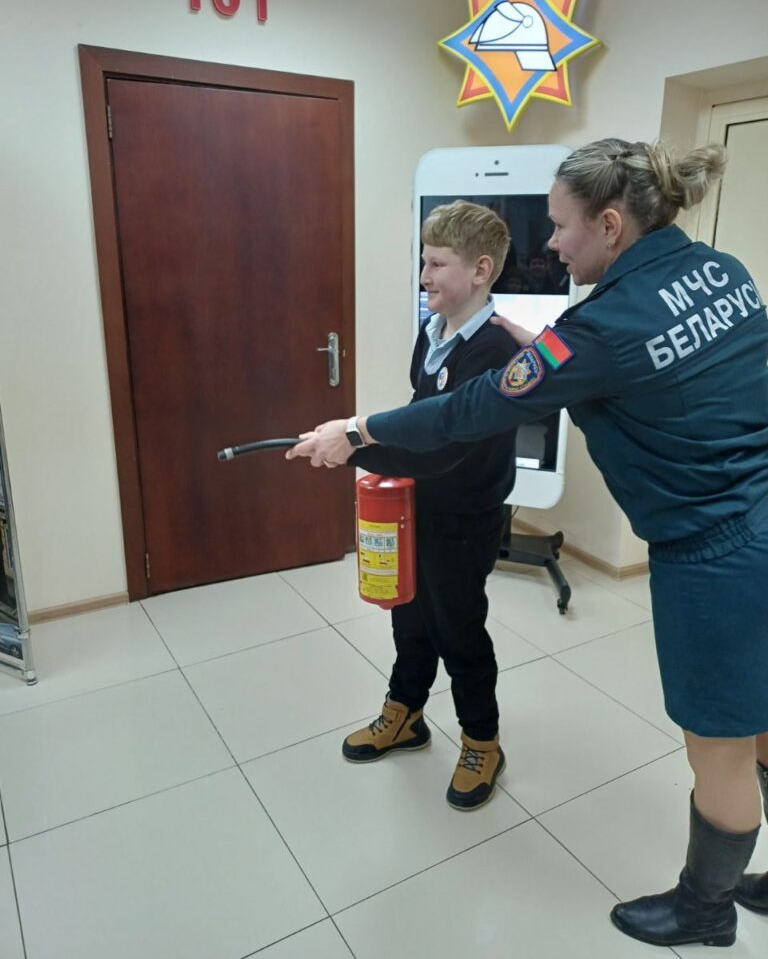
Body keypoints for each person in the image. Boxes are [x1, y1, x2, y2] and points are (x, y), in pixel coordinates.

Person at [287, 138, 768, 948]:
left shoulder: (600, 328)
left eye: (561, 225)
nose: (550, 243)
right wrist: (544, 347)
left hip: (713, 553)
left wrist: (358, 429)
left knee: (718, 746)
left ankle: (705, 909)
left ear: (609, 225)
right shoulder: (724, 272)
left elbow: (468, 410)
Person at [340, 199, 518, 811]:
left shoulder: (495, 350)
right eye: (424, 262)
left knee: (458, 628)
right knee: (408, 612)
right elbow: (421, 415)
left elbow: (445, 450)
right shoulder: (433, 331)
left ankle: (482, 742)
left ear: (481, 270)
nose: (424, 276)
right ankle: (406, 713)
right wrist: (369, 446)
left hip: (465, 513)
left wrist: (352, 445)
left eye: (437, 264)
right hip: (417, 503)